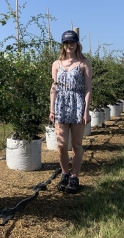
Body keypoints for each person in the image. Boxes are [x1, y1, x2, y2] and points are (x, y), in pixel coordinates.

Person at [49, 30, 92, 193]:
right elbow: (54, 87)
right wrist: (51, 108)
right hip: (60, 105)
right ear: (63, 45)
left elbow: (88, 88)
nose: (70, 45)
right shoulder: (56, 64)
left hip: (77, 104)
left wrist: (86, 111)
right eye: (66, 43)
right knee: (61, 144)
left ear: (77, 44)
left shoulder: (84, 63)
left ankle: (74, 177)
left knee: (76, 144)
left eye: (72, 42)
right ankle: (65, 174)